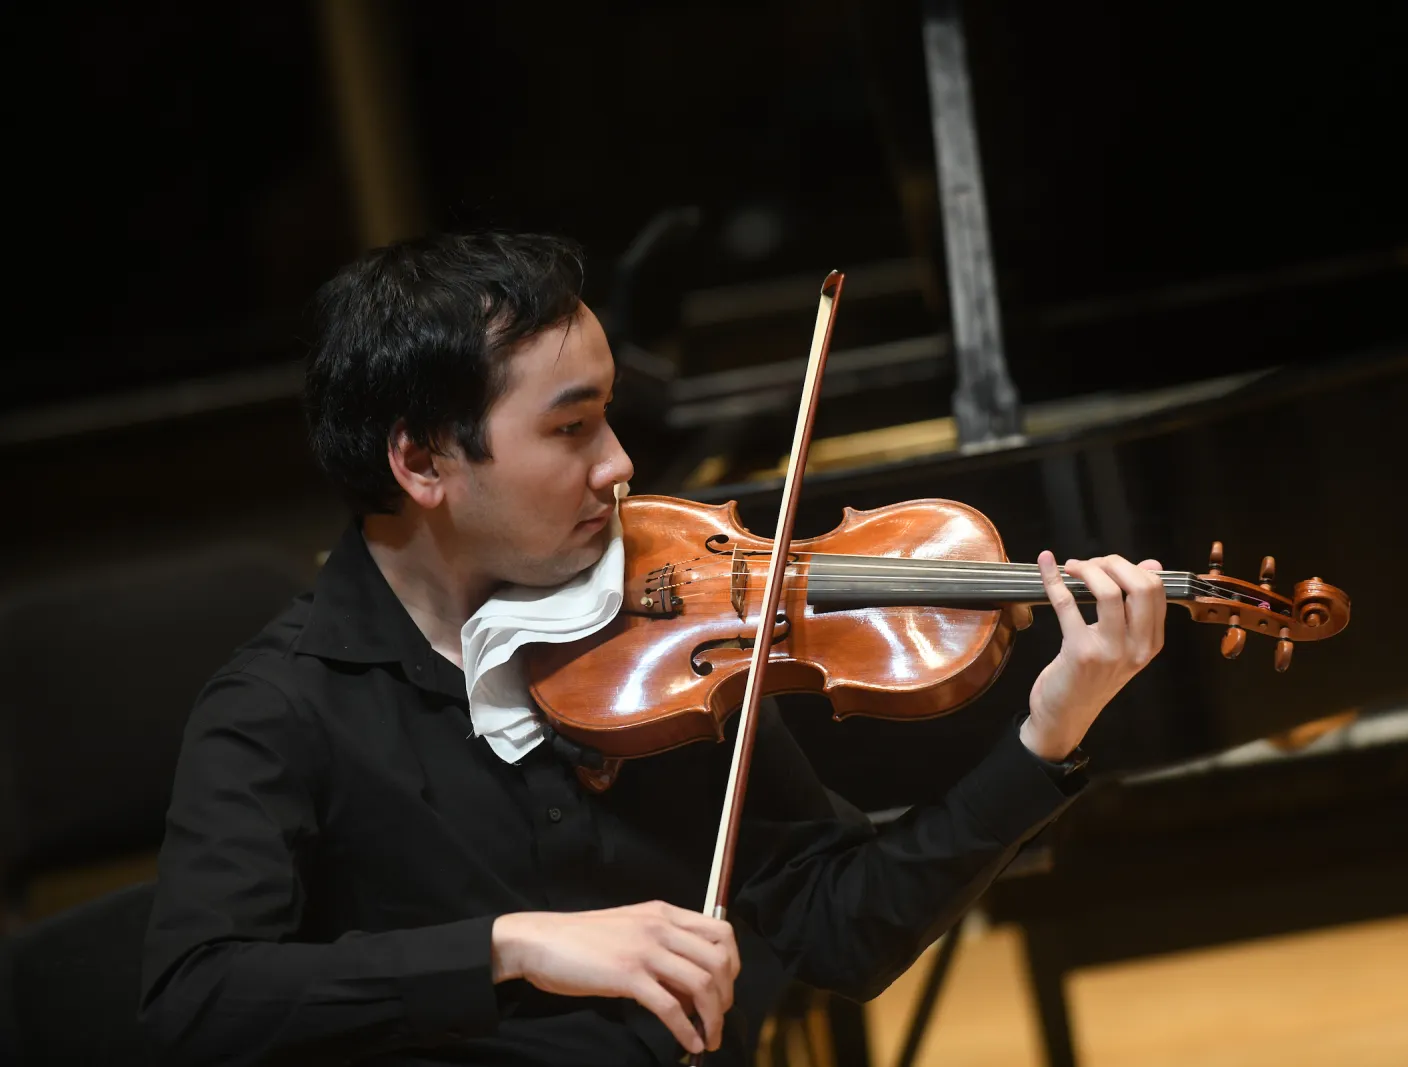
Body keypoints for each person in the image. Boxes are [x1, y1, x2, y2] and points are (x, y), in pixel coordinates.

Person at [140, 232, 1169, 1066]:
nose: (622, 465)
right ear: (420, 460)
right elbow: (198, 998)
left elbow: (837, 926)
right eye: (572, 428)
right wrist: (512, 945)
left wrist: (1049, 730)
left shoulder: (667, 634)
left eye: (612, 418)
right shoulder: (279, 707)